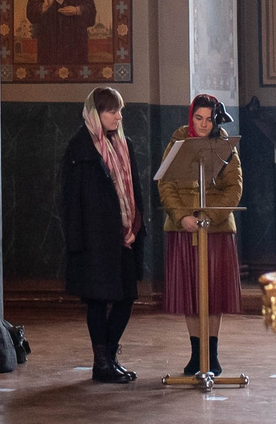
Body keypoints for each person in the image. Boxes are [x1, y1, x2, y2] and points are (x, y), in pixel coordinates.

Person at [60, 86, 142, 383]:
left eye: (120, 111)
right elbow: (70, 199)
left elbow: (134, 190)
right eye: (111, 111)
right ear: (96, 113)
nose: (118, 116)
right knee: (97, 299)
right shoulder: (79, 148)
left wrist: (136, 225)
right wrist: (76, 241)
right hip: (94, 239)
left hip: (124, 236)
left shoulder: (125, 144)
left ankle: (109, 356)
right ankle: (102, 362)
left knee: (126, 297)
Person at [159, 93, 243, 378]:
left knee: (213, 293)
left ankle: (213, 355)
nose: (204, 124)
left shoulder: (225, 144)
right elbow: (166, 183)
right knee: (190, 292)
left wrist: (209, 216)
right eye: (199, 118)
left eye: (209, 119)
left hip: (216, 229)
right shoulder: (178, 141)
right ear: (190, 116)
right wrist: (182, 216)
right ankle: (197, 355)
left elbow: (234, 188)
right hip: (184, 228)